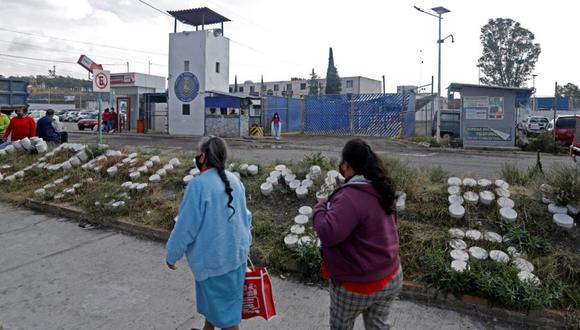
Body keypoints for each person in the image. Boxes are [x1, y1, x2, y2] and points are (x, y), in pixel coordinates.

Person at [312, 138, 401, 330]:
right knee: (378, 326)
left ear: (347, 165)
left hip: (358, 284)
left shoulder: (350, 197)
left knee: (340, 326)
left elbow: (328, 232)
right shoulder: (381, 186)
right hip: (391, 275)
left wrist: (319, 207)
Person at [166, 136, 252, 330]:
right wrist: (245, 245)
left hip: (214, 264)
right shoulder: (234, 180)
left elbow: (185, 227)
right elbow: (246, 218)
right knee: (216, 306)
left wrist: (172, 255)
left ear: (203, 157)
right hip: (235, 258)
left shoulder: (198, 185)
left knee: (228, 320)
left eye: (198, 153)